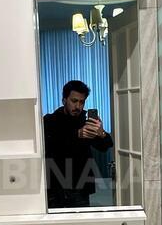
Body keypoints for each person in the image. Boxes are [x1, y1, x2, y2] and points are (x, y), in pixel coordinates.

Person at [43, 80, 113, 208]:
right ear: (64, 100)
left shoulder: (86, 121)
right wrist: (77, 134)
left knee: (82, 220)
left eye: (82, 102)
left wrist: (101, 133)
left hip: (80, 186)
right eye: (74, 101)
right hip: (56, 185)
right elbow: (49, 145)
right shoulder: (50, 120)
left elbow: (105, 146)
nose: (78, 106)